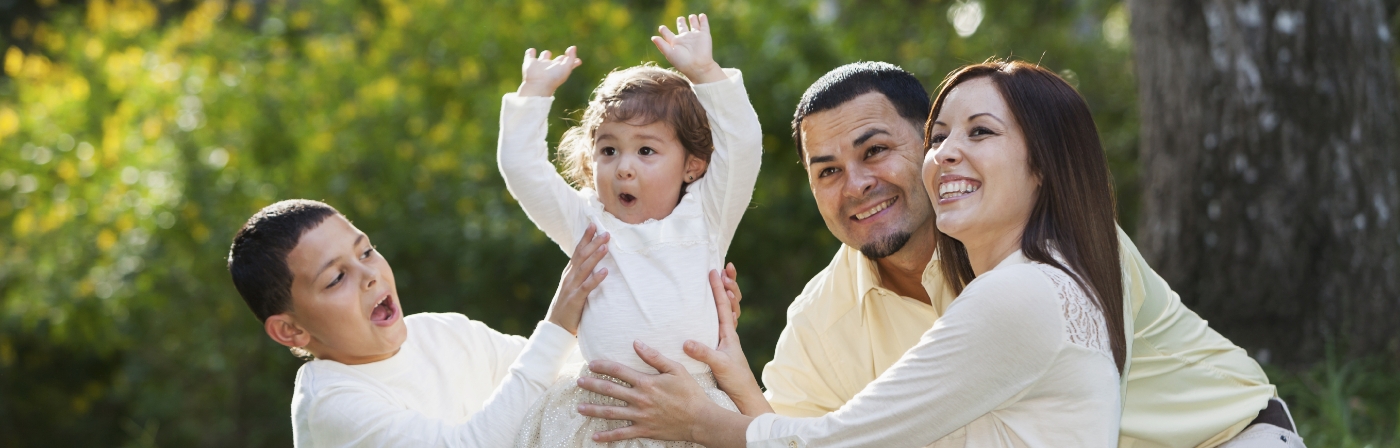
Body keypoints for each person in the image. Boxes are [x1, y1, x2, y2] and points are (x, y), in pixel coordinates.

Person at [575, 61, 1306, 447]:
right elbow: (798, 442)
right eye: (826, 170)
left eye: (875, 151)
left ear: (929, 148)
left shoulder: (1053, 255)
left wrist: (703, 421)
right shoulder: (821, 318)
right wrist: (729, 368)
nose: (854, 185)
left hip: (1224, 439)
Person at [496, 13, 763, 447]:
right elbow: (522, 170)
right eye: (608, 149)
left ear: (692, 164)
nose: (624, 167)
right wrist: (534, 93)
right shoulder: (587, 223)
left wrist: (705, 73)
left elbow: (744, 144)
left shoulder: (707, 216)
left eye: (645, 150)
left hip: (693, 409)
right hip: (601, 416)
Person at [225, 199, 609, 447]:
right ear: (290, 330)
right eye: (336, 278)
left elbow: (559, 375)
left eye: (366, 251)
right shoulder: (333, 404)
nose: (368, 274)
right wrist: (559, 322)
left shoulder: (442, 333)